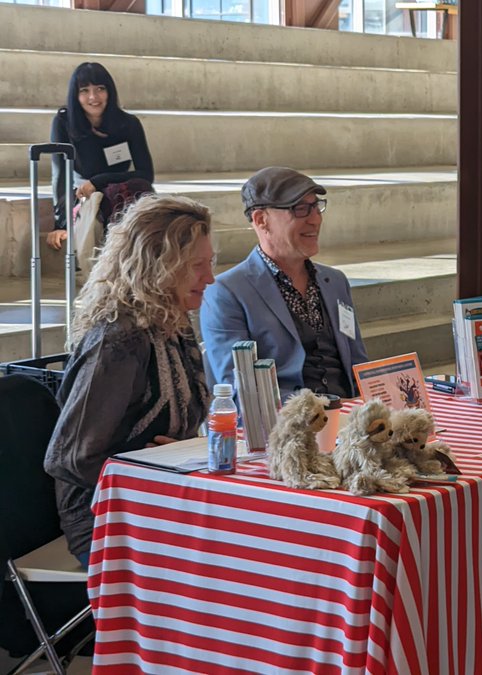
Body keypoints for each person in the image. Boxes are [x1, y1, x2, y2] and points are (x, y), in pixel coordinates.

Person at [43, 195, 214, 568]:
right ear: (161, 266)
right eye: (198, 266)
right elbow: (69, 458)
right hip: (104, 517)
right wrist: (152, 469)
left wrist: (178, 457)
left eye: (210, 263)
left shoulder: (174, 323)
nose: (210, 278)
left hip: (160, 498)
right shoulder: (118, 341)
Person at [200, 167, 368, 401]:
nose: (315, 219)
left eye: (316, 206)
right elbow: (240, 391)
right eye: (300, 209)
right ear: (261, 220)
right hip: (286, 426)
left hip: (350, 420)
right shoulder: (227, 293)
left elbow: (359, 365)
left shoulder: (335, 282)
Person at [46, 62, 155, 252]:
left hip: (121, 190)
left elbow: (146, 174)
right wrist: (60, 224)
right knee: (120, 198)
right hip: (84, 194)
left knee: (138, 189)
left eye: (100, 89)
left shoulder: (128, 123)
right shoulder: (64, 123)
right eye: (84, 90)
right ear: (75, 95)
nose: (93, 97)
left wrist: (99, 181)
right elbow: (61, 176)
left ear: (109, 91)